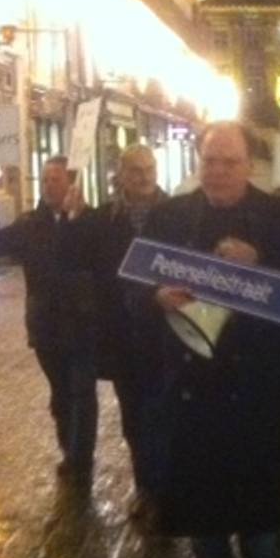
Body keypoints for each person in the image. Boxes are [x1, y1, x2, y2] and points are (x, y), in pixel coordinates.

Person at [141, 121, 280, 558]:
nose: (218, 171)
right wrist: (155, 297)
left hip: (255, 398)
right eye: (210, 161)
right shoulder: (169, 217)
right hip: (194, 400)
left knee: (262, 542)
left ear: (250, 166)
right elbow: (132, 288)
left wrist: (261, 262)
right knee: (207, 543)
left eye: (230, 162)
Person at [0, 156, 101, 483]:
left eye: (55, 179)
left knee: (82, 391)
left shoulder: (91, 220)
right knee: (61, 392)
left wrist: (76, 220)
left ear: (70, 182)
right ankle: (69, 448)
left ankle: (80, 458)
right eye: (45, 180)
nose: (49, 186)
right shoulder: (30, 224)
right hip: (46, 325)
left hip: (82, 322)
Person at [96, 145, 168, 519]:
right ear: (122, 175)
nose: (145, 176)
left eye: (150, 168)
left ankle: (166, 487)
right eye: (136, 170)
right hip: (124, 336)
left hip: (167, 334)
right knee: (135, 418)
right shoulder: (106, 219)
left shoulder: (175, 213)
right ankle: (147, 489)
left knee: (165, 413)